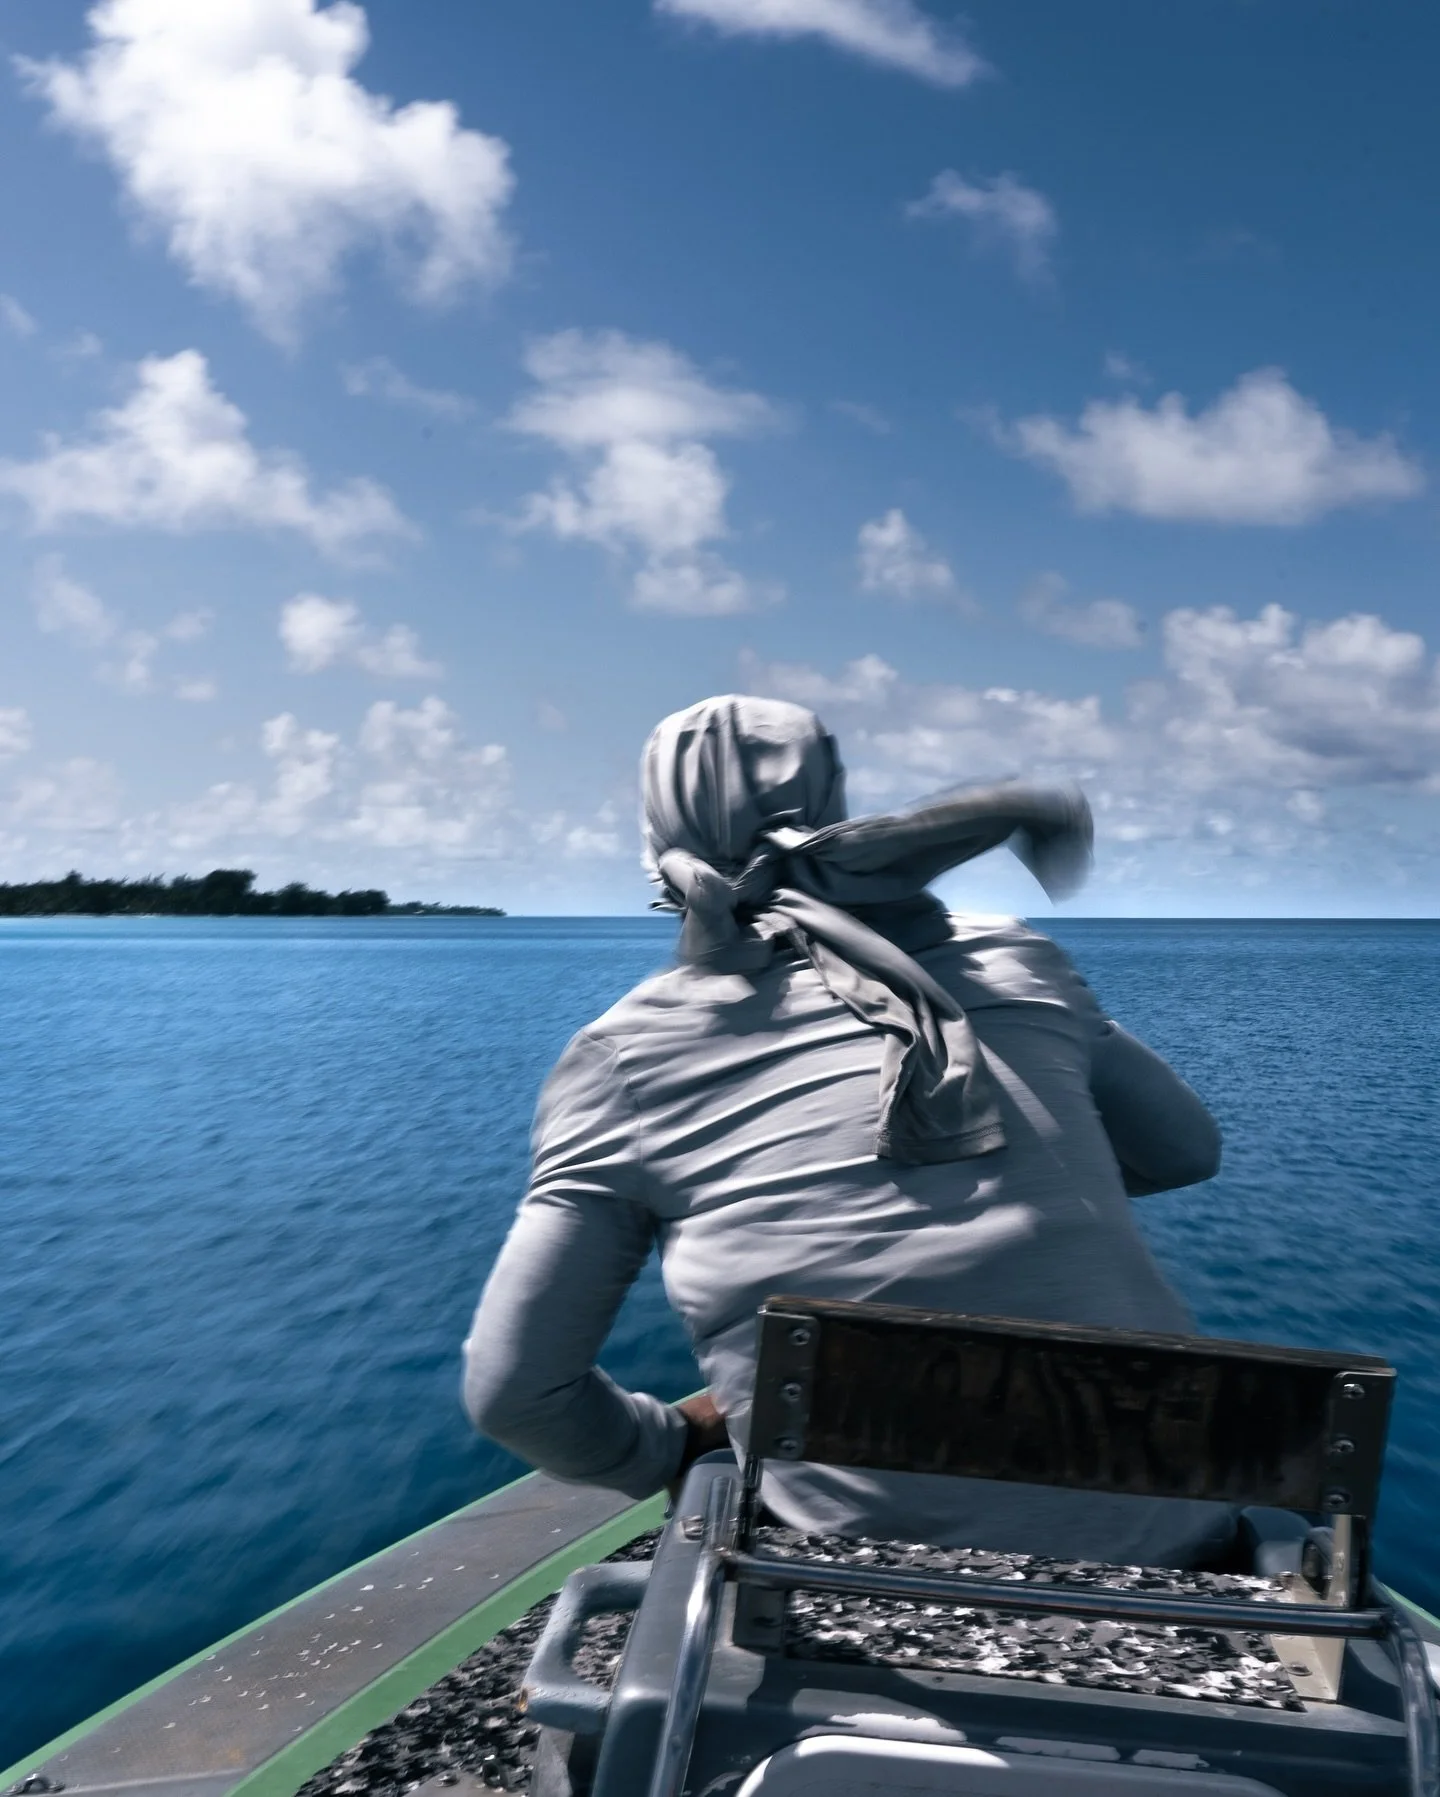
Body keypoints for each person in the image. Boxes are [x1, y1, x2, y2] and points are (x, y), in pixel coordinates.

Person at [462, 696, 1228, 1566]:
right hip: (1178, 1552)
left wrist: (662, 1447)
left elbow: (516, 1395)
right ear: (835, 806)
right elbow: (1185, 1151)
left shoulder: (624, 1058)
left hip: (861, 1599)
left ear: (655, 842)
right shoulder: (1012, 959)